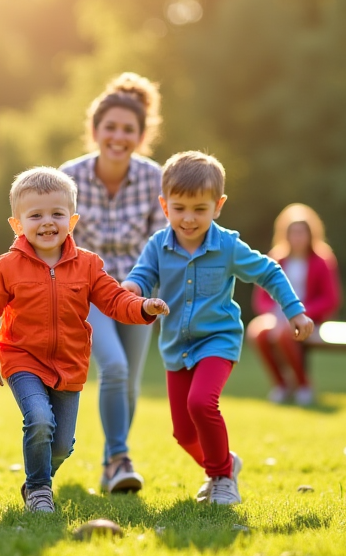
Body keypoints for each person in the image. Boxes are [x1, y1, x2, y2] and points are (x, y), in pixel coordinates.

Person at [0, 168, 168, 513]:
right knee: (40, 419)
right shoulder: (6, 267)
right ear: (17, 224)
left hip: (69, 365)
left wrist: (143, 307)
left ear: (72, 220)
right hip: (22, 360)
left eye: (57, 214)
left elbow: (115, 301)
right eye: (36, 215)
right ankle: (38, 489)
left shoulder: (88, 265)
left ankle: (38, 477)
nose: (47, 223)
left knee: (60, 445)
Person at [123, 152, 314, 506]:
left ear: (218, 205)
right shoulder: (157, 245)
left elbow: (268, 272)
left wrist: (294, 311)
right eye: (179, 208)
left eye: (200, 209)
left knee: (201, 403)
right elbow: (142, 275)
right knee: (183, 433)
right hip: (176, 346)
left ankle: (222, 478)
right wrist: (133, 290)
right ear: (164, 206)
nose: (189, 218)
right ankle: (225, 462)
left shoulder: (227, 245)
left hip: (218, 340)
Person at [60, 72, 167, 494]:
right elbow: (55, 240)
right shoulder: (68, 177)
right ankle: (121, 458)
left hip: (140, 293)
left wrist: (140, 287)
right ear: (95, 130)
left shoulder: (155, 178)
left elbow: (161, 243)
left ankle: (111, 463)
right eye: (111, 127)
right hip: (87, 291)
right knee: (115, 368)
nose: (118, 137)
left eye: (128, 130)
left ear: (141, 136)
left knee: (131, 383)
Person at [248, 204, 340, 405]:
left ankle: (303, 384)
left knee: (283, 333)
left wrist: (301, 313)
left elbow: (330, 299)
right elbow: (262, 297)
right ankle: (281, 384)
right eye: (293, 232)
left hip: (309, 318)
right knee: (257, 332)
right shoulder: (276, 259)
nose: (297, 237)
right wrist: (274, 312)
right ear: (285, 234)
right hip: (277, 316)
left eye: (301, 232)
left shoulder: (322, 260)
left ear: (311, 234)